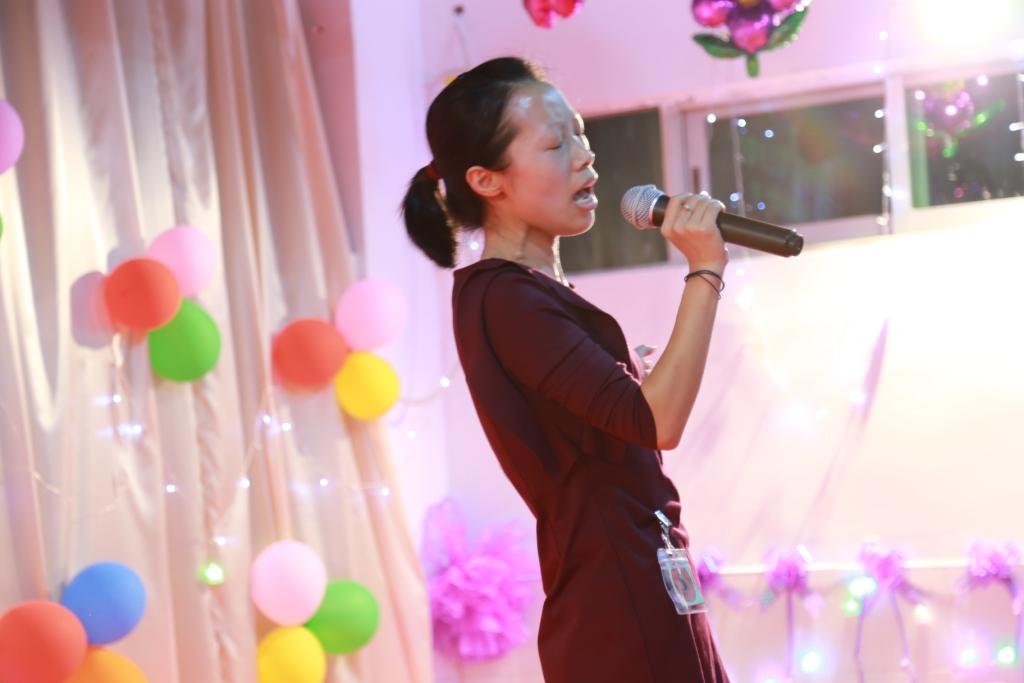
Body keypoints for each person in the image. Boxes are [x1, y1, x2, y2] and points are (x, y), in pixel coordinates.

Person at [402, 57, 731, 683]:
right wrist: (705, 270)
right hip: (617, 598)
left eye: (580, 133)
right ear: (487, 180)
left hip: (645, 576)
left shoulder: (530, 294)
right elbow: (658, 422)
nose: (585, 156)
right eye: (556, 145)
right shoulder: (506, 299)